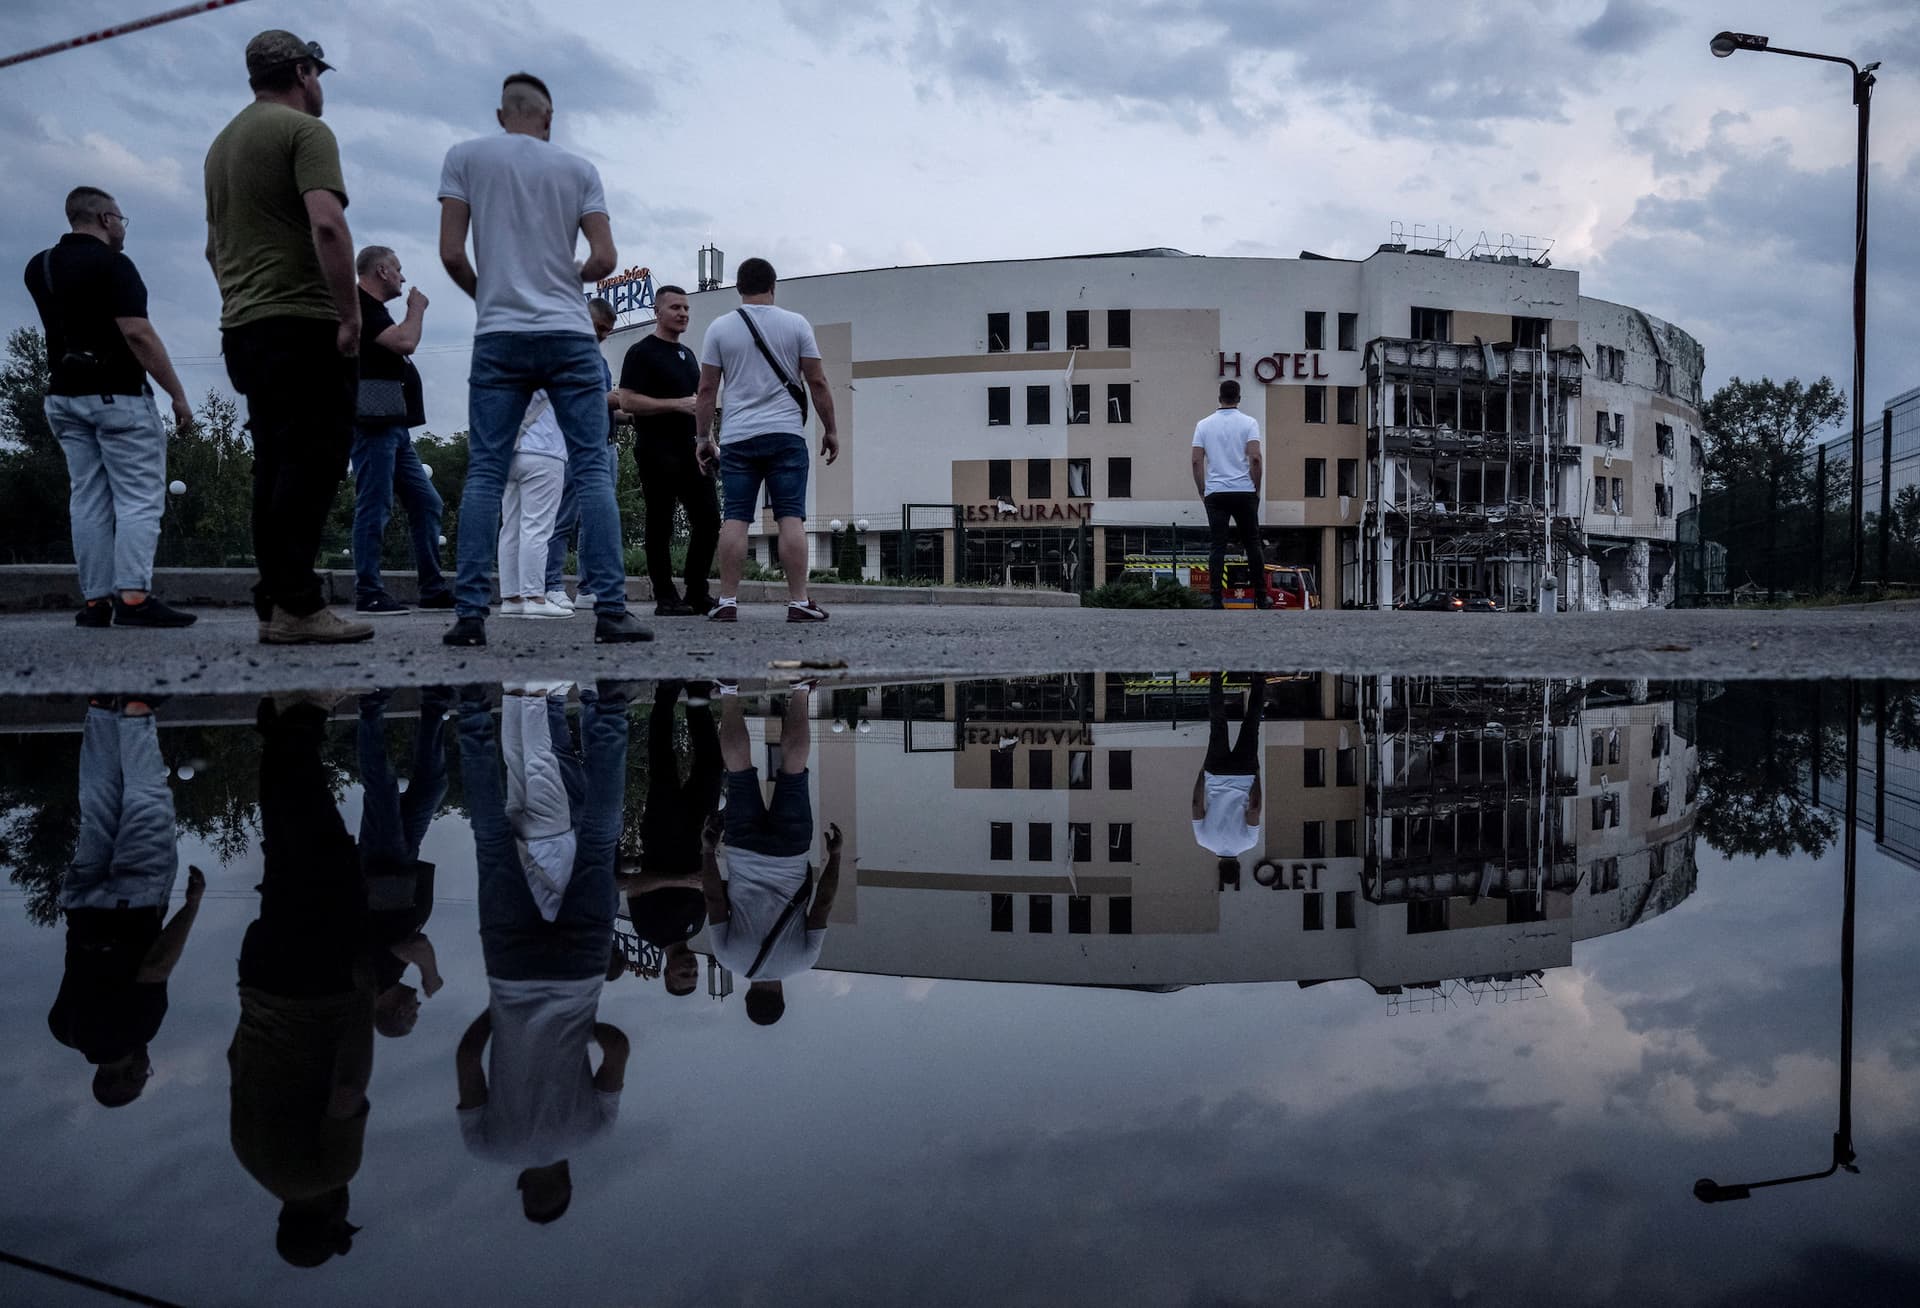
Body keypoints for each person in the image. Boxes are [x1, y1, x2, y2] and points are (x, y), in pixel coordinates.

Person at [437, 73, 648, 647]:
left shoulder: (464, 158)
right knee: (590, 468)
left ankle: (471, 615)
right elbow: (605, 257)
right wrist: (568, 276)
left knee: (484, 470)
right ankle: (610, 610)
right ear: (548, 119)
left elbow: (451, 253)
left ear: (503, 113)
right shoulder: (578, 170)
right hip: (568, 333)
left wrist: (493, 295)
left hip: (500, 333)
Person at [205, 29, 371, 645]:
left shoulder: (221, 145)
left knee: (274, 462)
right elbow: (328, 226)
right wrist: (348, 315)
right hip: (303, 322)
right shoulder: (306, 132)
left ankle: (275, 600)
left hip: (245, 326)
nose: (320, 87)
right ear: (302, 72)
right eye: (318, 74)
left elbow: (211, 248)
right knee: (315, 460)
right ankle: (299, 606)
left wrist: (242, 303)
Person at [455, 683, 630, 1222]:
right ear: (524, 1187)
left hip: (579, 977)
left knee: (599, 842)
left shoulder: (593, 1131)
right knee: (491, 841)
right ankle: (470, 713)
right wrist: (505, 1013)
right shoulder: (486, 1147)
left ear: (568, 1178)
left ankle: (611, 711)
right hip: (511, 973)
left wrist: (579, 1025)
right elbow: (467, 1059)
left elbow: (617, 1049)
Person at [229, 694, 376, 1267]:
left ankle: (304, 723)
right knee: (287, 856)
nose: (346, 1210)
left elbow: (347, 1091)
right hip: (262, 980)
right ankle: (278, 736)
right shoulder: (253, 1160)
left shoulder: (329, 1172)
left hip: (317, 988)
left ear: (328, 1221)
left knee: (329, 856)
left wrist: (362, 994)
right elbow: (233, 1060)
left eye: (340, 1222)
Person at [24, 188, 197, 628]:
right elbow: (137, 333)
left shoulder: (39, 266)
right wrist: (177, 394)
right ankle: (135, 597)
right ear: (104, 218)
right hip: (117, 395)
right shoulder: (114, 265)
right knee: (139, 499)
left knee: (87, 498)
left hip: (63, 396)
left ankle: (96, 602)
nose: (122, 227)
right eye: (121, 218)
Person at [47, 695, 204, 1106]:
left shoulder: (137, 1031)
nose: (147, 1066)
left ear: (130, 1073)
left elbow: (155, 966)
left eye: (142, 1073)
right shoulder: (64, 1029)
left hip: (135, 905)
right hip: (81, 905)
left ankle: (137, 713)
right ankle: (100, 710)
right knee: (97, 807)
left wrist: (192, 906)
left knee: (146, 803)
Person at [694, 257, 838, 623]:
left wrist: (702, 438)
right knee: (791, 516)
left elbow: (707, 388)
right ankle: (798, 601)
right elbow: (817, 382)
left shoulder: (720, 329)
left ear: (739, 288)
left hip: (739, 437)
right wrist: (830, 429)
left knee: (736, 518)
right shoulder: (796, 324)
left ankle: (727, 600)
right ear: (773, 286)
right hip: (785, 434)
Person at [704, 687, 845, 1025]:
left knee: (793, 774)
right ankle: (729, 691)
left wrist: (836, 856)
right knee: (739, 775)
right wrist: (708, 850)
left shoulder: (802, 961)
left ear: (780, 995)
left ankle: (798, 692)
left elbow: (822, 903)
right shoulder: (729, 959)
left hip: (790, 853)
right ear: (749, 994)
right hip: (743, 851)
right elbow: (713, 900)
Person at [348, 245, 453, 616]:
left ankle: (432, 588)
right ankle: (369, 591)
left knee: (427, 502)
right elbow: (405, 341)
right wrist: (416, 308)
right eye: (399, 269)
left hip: (394, 425)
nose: (404, 277)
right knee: (374, 506)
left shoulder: (374, 311)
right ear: (381, 271)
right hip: (373, 424)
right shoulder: (361, 307)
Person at [617, 286, 718, 616]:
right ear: (658, 312)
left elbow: (700, 403)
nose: (683, 313)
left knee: (708, 519)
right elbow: (627, 400)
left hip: (692, 452)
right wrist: (676, 404)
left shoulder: (688, 355)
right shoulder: (641, 353)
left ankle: (697, 590)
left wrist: (708, 439)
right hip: (657, 451)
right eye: (676, 307)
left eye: (686, 308)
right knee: (660, 523)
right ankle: (665, 596)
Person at [357, 687, 451, 1036]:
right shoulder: (386, 975)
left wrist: (432, 975)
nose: (417, 1009)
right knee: (431, 787)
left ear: (394, 1013)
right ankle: (434, 705)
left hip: (381, 866)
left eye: (411, 1015)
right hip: (402, 865)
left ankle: (370, 708)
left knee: (381, 790)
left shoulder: (379, 978)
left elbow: (416, 946)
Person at [618, 681, 722, 995]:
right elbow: (703, 884)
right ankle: (698, 696)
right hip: (696, 831)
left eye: (683, 974)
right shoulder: (697, 925)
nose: (690, 969)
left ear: (667, 973)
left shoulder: (649, 930)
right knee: (711, 766)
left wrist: (680, 882)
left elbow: (634, 885)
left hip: (662, 833)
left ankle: (666, 695)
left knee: (664, 763)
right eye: (694, 974)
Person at [541, 298, 623, 614]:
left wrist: (624, 410)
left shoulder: (597, 360)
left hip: (604, 443)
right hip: (575, 447)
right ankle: (551, 584)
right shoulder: (566, 353)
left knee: (595, 520)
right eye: (600, 328)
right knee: (564, 518)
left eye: (607, 331)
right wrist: (613, 399)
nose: (603, 335)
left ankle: (589, 586)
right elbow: (569, 398)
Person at [1190, 378, 1268, 610]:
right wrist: (1257, 488)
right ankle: (1261, 598)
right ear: (1239, 398)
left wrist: (1202, 490)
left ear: (1219, 398)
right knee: (1252, 543)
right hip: (1244, 491)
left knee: (1218, 545)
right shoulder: (1249, 423)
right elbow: (1255, 458)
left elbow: (1196, 460)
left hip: (1216, 492)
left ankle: (1216, 598)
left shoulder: (1203, 425)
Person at [498, 391, 573, 618]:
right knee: (538, 527)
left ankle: (511, 598)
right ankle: (535, 598)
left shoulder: (506, 361)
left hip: (509, 447)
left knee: (510, 527)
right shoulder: (549, 359)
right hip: (544, 449)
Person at [1191, 672, 1264, 887]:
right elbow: (1196, 804)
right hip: (1216, 773)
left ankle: (1259, 678)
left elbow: (1254, 808)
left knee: (1251, 724)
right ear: (1219, 867)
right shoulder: (1203, 840)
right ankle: (1215, 677)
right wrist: (1202, 774)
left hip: (1244, 774)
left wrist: (1256, 777)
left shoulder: (1249, 842)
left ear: (1239, 867)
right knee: (1218, 723)